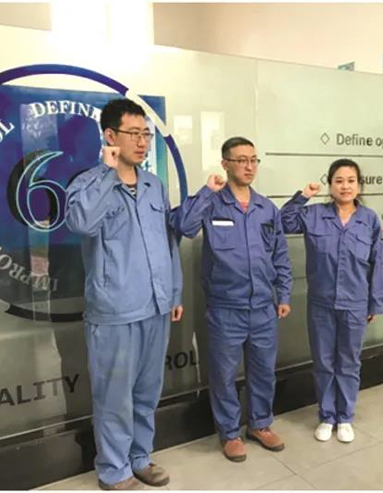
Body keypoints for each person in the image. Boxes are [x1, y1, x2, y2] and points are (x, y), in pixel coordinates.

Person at [66, 98, 182, 490]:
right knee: (114, 396)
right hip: (114, 311)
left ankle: (140, 458)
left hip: (155, 307)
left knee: (147, 392)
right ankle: (114, 469)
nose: (143, 142)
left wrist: (174, 293)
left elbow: (168, 242)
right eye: (134, 133)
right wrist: (108, 172)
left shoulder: (153, 185)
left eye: (146, 134)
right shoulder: (88, 183)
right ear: (111, 136)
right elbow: (81, 223)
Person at [170, 136, 292, 462]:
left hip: (263, 306)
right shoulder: (213, 203)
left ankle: (260, 424)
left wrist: (283, 293)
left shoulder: (267, 208)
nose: (249, 167)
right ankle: (230, 432)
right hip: (226, 308)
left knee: (263, 371)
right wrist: (206, 191)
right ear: (225, 164)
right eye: (241, 160)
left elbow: (279, 254)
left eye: (253, 160)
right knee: (223, 375)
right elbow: (184, 225)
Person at [280, 159, 383, 443]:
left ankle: (345, 417)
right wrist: (303, 196)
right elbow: (284, 222)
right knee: (324, 361)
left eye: (351, 180)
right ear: (330, 184)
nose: (345, 186)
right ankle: (327, 416)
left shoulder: (369, 220)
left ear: (359, 185)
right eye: (339, 181)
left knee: (349, 362)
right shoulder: (314, 214)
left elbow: (377, 263)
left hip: (355, 303)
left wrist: (375, 302)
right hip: (321, 303)